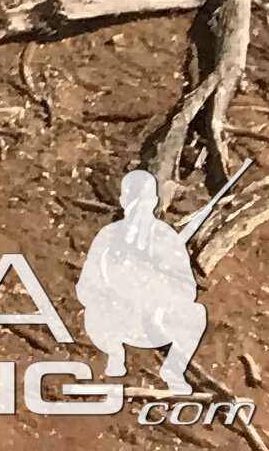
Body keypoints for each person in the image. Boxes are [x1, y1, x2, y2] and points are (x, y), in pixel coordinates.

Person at [79, 167, 220, 394]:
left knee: (197, 314)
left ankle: (173, 370)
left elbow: (186, 288)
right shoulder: (109, 235)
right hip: (114, 316)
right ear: (124, 200)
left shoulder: (166, 237)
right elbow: (87, 284)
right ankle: (115, 359)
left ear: (155, 201)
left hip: (153, 315)